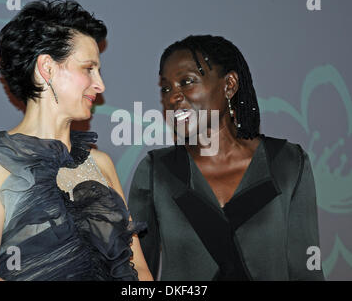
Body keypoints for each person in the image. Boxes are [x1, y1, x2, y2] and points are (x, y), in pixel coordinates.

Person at [0, 0, 153, 281]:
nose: (100, 84)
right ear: (47, 68)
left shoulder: (102, 164)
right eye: (88, 68)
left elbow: (138, 268)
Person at [128, 35, 325, 281]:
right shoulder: (156, 171)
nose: (172, 98)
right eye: (166, 88)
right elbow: (134, 277)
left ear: (229, 85)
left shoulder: (287, 163)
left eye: (187, 82)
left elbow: (306, 273)